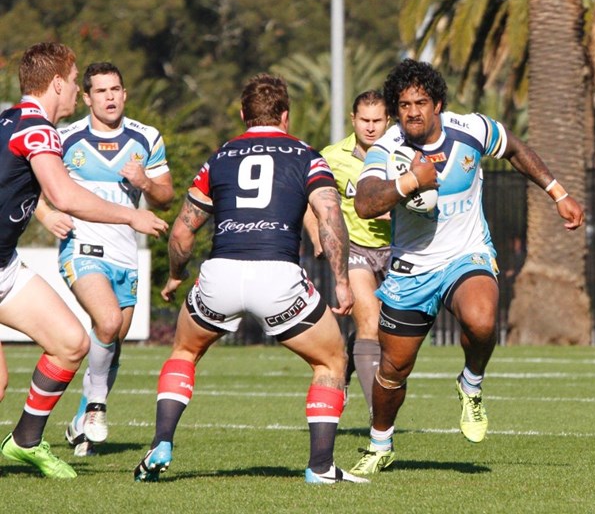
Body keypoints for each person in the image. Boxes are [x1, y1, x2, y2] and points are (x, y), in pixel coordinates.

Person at [348, 59, 584, 476]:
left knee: (481, 319)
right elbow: (365, 203)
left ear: (437, 103)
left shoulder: (471, 129)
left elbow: (514, 148)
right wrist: (408, 183)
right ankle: (380, 442)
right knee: (393, 369)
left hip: (466, 254)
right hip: (411, 269)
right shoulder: (388, 148)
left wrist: (557, 191)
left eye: (421, 102)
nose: (413, 111)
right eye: (403, 105)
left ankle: (471, 383)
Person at [133, 73, 367, 484]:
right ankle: (321, 467)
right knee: (330, 360)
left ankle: (162, 442)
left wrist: (175, 275)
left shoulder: (220, 157)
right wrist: (342, 281)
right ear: (286, 116)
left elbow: (183, 232)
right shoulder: (306, 156)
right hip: (276, 277)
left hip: (220, 274)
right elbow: (330, 218)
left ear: (243, 115)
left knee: (184, 353)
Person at [0, 42, 167, 479]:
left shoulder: (12, 123)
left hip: (5, 267)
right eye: (76, 83)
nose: (78, 92)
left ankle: (25, 441)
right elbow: (64, 195)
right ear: (57, 83)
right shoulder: (37, 130)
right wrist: (133, 214)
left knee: (71, 342)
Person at [34, 62, 174, 457]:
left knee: (110, 340)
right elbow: (31, 187)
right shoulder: (64, 137)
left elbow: (165, 195)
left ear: (125, 94)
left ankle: (81, 423)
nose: (110, 97)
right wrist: (48, 215)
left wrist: (144, 182)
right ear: (86, 97)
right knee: (108, 321)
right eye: (100, 91)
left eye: (116, 89)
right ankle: (97, 409)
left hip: (125, 253)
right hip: (82, 247)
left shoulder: (147, 138)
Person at [304, 90, 390, 413]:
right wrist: (317, 238)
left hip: (397, 250)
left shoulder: (402, 153)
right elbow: (310, 202)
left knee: (385, 330)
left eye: (377, 121)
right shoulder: (331, 157)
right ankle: (379, 419)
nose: (370, 127)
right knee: (369, 318)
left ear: (388, 121)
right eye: (364, 120)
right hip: (355, 249)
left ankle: (351, 362)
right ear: (353, 119)